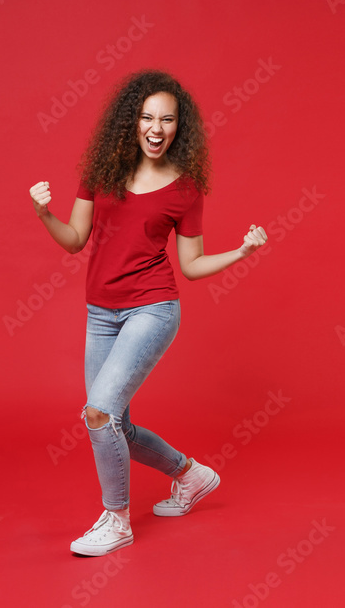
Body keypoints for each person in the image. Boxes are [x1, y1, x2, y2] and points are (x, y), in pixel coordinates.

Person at [29, 69, 268, 557]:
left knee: (98, 413)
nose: (157, 128)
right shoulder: (102, 172)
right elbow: (76, 241)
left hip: (153, 309)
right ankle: (191, 475)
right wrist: (44, 215)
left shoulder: (185, 189)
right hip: (101, 313)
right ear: (131, 122)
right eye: (147, 117)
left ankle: (116, 520)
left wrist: (241, 253)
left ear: (180, 127)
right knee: (115, 422)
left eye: (168, 120)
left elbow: (193, 265)